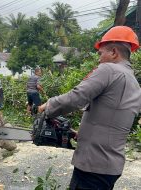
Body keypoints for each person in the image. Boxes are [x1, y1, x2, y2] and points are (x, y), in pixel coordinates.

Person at [38, 26, 141, 190]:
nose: (99, 60)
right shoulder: (133, 83)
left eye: (101, 54)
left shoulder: (109, 69)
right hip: (110, 167)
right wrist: (82, 134)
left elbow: (76, 97)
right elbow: (113, 120)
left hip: (93, 166)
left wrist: (48, 105)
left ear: (114, 52)